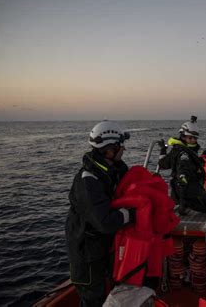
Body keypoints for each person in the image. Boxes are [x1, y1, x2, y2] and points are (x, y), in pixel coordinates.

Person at [65, 120, 135, 307]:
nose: (124, 150)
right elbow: (104, 221)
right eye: (121, 146)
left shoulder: (112, 170)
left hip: (102, 247)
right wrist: (130, 214)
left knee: (107, 291)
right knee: (93, 300)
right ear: (109, 149)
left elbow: (127, 182)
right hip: (87, 256)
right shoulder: (88, 180)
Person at [158, 116, 206, 215]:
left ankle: (184, 203)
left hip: (185, 187)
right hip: (186, 187)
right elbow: (183, 167)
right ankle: (185, 203)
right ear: (183, 137)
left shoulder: (182, 150)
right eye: (190, 138)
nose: (193, 140)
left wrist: (163, 150)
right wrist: (183, 177)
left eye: (195, 138)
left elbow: (163, 163)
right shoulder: (183, 153)